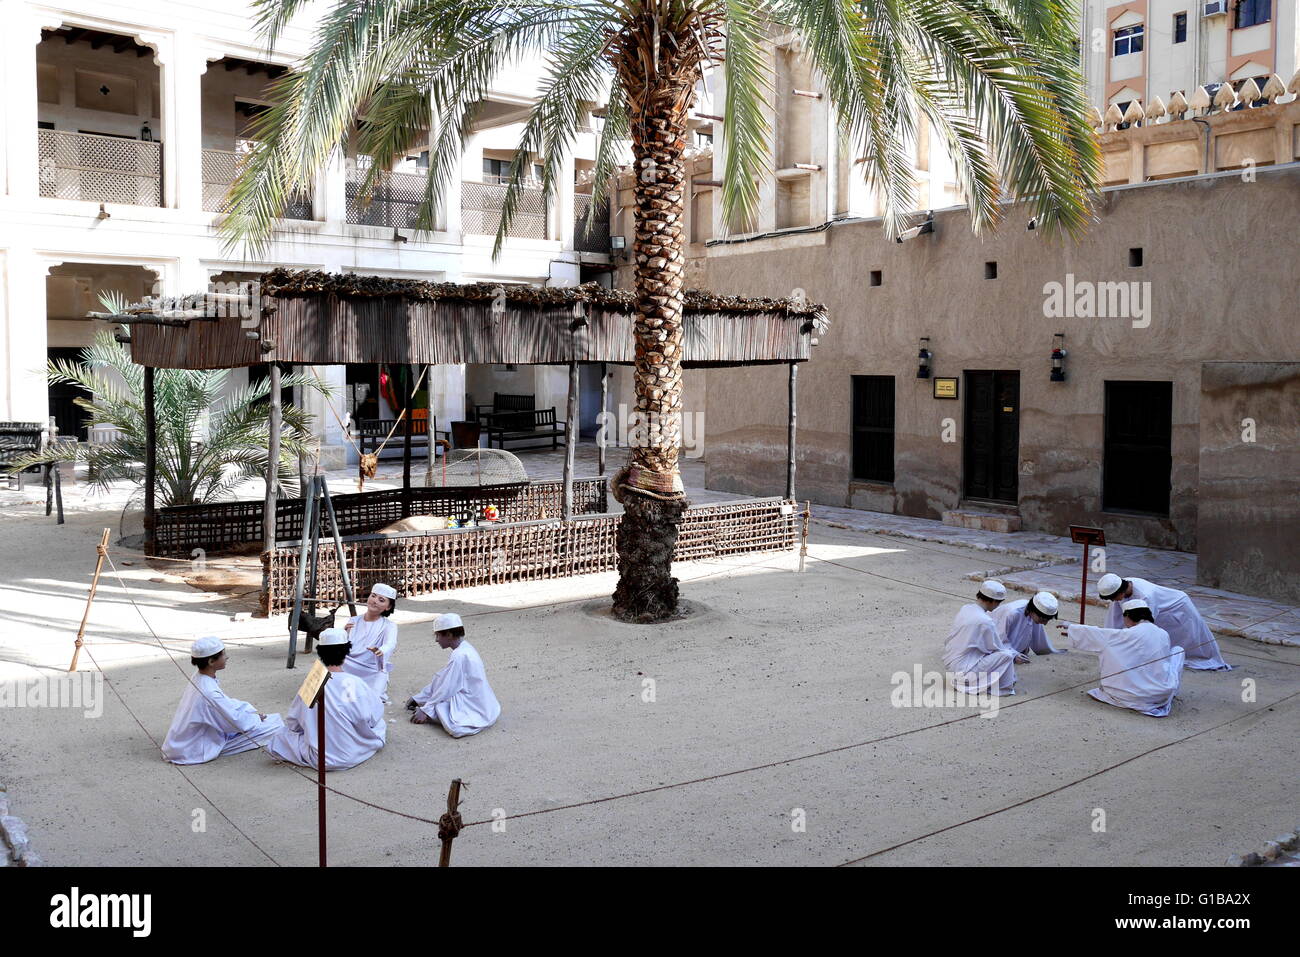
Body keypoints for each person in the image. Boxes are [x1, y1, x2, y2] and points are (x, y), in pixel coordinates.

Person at [267, 628, 386, 770]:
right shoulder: (357, 682)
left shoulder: (311, 683)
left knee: (280, 736)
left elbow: (294, 722)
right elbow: (372, 717)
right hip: (354, 751)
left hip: (321, 758)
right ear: (347, 652)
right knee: (380, 725)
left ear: (320, 653)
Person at [162, 637, 283, 765]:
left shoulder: (199, 677)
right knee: (275, 725)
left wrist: (246, 711)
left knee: (264, 719)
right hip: (192, 749)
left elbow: (224, 706)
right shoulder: (209, 692)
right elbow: (234, 722)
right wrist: (256, 718)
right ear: (211, 661)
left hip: (179, 744)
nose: (226, 657)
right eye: (223, 654)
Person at [1058, 599, 1184, 717]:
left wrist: (1071, 627)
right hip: (1158, 695)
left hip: (1125, 695)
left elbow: (1099, 634)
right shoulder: (1163, 633)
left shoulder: (1126, 634)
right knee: (1178, 651)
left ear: (1128, 616)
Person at [1096, 573, 1231, 671]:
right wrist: (1111, 641)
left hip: (1177, 607)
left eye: (1113, 598)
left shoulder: (1146, 596)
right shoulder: (1123, 587)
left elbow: (1145, 627)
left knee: (1188, 638)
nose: (1114, 601)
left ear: (1121, 591)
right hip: (1161, 608)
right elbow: (1115, 618)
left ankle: (1207, 659)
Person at [406, 613, 500, 737]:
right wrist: (420, 697)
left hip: (474, 703)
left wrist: (426, 710)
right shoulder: (465, 648)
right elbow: (443, 678)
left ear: (449, 635)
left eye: (438, 635)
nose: (436, 640)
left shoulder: (459, 656)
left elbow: (446, 688)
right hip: (482, 702)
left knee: (452, 724)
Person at [942, 580, 1021, 696]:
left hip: (953, 666)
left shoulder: (966, 608)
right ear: (993, 601)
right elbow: (997, 648)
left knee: (990, 653)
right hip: (965, 672)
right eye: (998, 603)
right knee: (1007, 655)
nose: (998, 606)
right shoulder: (985, 621)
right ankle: (1004, 688)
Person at [342, 583, 399, 701]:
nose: (375, 601)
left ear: (387, 607)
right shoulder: (354, 620)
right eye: (373, 596)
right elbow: (344, 644)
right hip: (349, 664)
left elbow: (390, 643)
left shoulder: (389, 626)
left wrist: (381, 650)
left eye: (381, 600)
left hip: (371, 669)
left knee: (373, 698)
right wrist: (343, 633)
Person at [991, 591, 1062, 657]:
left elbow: (1039, 640)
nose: (1045, 624)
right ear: (1033, 610)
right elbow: (998, 640)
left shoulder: (1033, 613)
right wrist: (1014, 655)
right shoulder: (1012, 613)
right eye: (1043, 619)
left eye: (1047, 620)